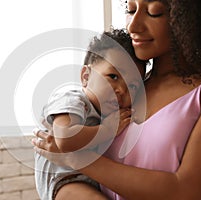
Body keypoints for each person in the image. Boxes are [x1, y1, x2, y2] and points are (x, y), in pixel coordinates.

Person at [32, 0, 201, 199]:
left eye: (154, 13)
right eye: (130, 10)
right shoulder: (124, 92)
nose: (133, 26)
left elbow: (189, 192)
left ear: (189, 18)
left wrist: (75, 158)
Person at [34, 28, 148, 200]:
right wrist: (107, 130)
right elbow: (64, 139)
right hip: (65, 181)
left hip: (91, 179)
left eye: (132, 86)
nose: (121, 90)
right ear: (85, 76)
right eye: (113, 76)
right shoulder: (72, 99)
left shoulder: (114, 114)